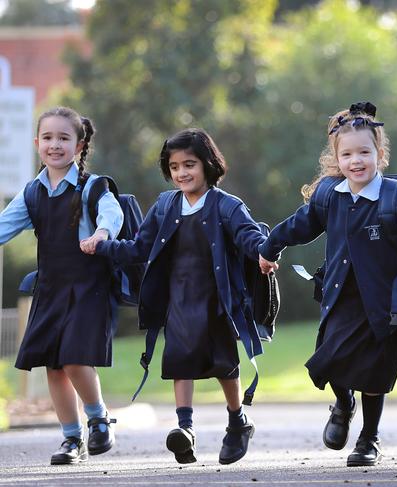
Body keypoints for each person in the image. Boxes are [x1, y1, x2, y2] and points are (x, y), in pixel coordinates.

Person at [258, 101, 397, 467]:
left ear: (380, 153)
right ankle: (344, 403)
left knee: (376, 371)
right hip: (340, 297)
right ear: (336, 158)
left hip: (383, 302)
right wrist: (269, 248)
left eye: (364, 152)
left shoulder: (395, 201)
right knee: (327, 361)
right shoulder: (330, 196)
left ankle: (368, 439)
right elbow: (299, 224)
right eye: (347, 154)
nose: (356, 161)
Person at [81, 128, 267, 465]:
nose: (182, 172)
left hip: (218, 300)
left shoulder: (226, 205)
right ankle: (185, 429)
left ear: (208, 164)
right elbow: (140, 247)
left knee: (225, 364)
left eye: (190, 164)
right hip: (178, 299)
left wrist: (266, 254)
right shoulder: (166, 205)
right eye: (175, 166)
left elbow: (250, 237)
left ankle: (237, 420)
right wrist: (102, 246)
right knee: (180, 361)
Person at [0, 106, 123, 465]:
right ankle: (72, 439)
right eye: (48, 138)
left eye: (64, 138)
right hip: (50, 288)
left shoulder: (92, 186)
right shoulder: (32, 192)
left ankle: (98, 417)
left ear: (79, 145)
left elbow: (111, 214)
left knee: (73, 357)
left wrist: (101, 234)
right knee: (53, 364)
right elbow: (4, 226)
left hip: (88, 287)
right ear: (37, 143)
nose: (55, 145)